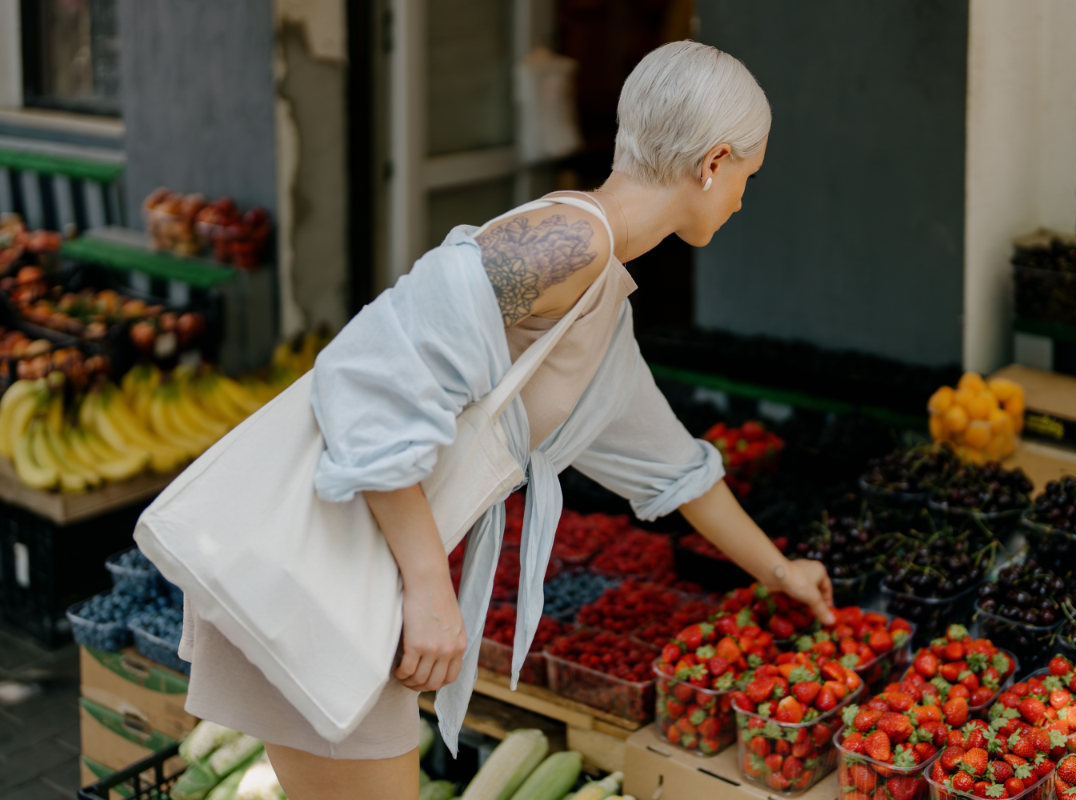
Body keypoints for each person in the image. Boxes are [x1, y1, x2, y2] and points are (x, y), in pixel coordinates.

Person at [177, 40, 835, 800]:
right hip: (316, 576)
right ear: (715, 162)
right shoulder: (565, 244)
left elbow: (676, 469)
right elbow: (365, 377)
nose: (742, 200)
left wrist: (784, 574)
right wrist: (430, 587)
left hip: (350, 580)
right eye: (748, 177)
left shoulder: (600, 306)